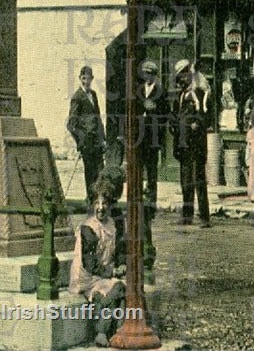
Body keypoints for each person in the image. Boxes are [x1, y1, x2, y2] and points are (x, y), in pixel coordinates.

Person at [69, 178, 126, 348]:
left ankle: (114, 331)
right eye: (96, 203)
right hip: (87, 276)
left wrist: (121, 263)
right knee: (115, 289)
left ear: (110, 205)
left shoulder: (112, 224)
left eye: (105, 203)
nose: (100, 207)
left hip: (102, 273)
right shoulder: (88, 228)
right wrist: (113, 272)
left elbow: (119, 249)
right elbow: (89, 263)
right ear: (91, 205)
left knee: (118, 293)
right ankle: (108, 331)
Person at [170, 59, 211, 227]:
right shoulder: (180, 95)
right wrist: (174, 126)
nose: (183, 79)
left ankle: (204, 217)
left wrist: (198, 124)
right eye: (180, 76)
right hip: (183, 144)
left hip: (197, 144)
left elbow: (207, 116)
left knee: (199, 180)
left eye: (185, 74)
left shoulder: (200, 94)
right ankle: (187, 215)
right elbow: (176, 116)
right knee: (185, 181)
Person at [133, 60, 169, 215]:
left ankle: (152, 203)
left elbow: (165, 114)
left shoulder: (161, 91)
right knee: (139, 168)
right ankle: (140, 202)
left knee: (152, 171)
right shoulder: (139, 90)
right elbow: (134, 108)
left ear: (154, 76)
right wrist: (142, 107)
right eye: (145, 74)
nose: (147, 77)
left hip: (153, 137)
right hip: (140, 136)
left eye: (150, 74)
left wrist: (154, 111)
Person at [67, 65, 106, 205]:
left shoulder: (93, 95)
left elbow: (97, 117)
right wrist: (81, 140)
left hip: (97, 140)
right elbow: (71, 124)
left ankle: (98, 198)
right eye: (83, 78)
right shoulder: (77, 97)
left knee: (100, 170)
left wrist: (103, 138)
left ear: (92, 79)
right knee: (90, 171)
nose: (86, 81)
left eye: (89, 78)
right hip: (87, 142)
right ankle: (90, 199)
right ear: (80, 79)